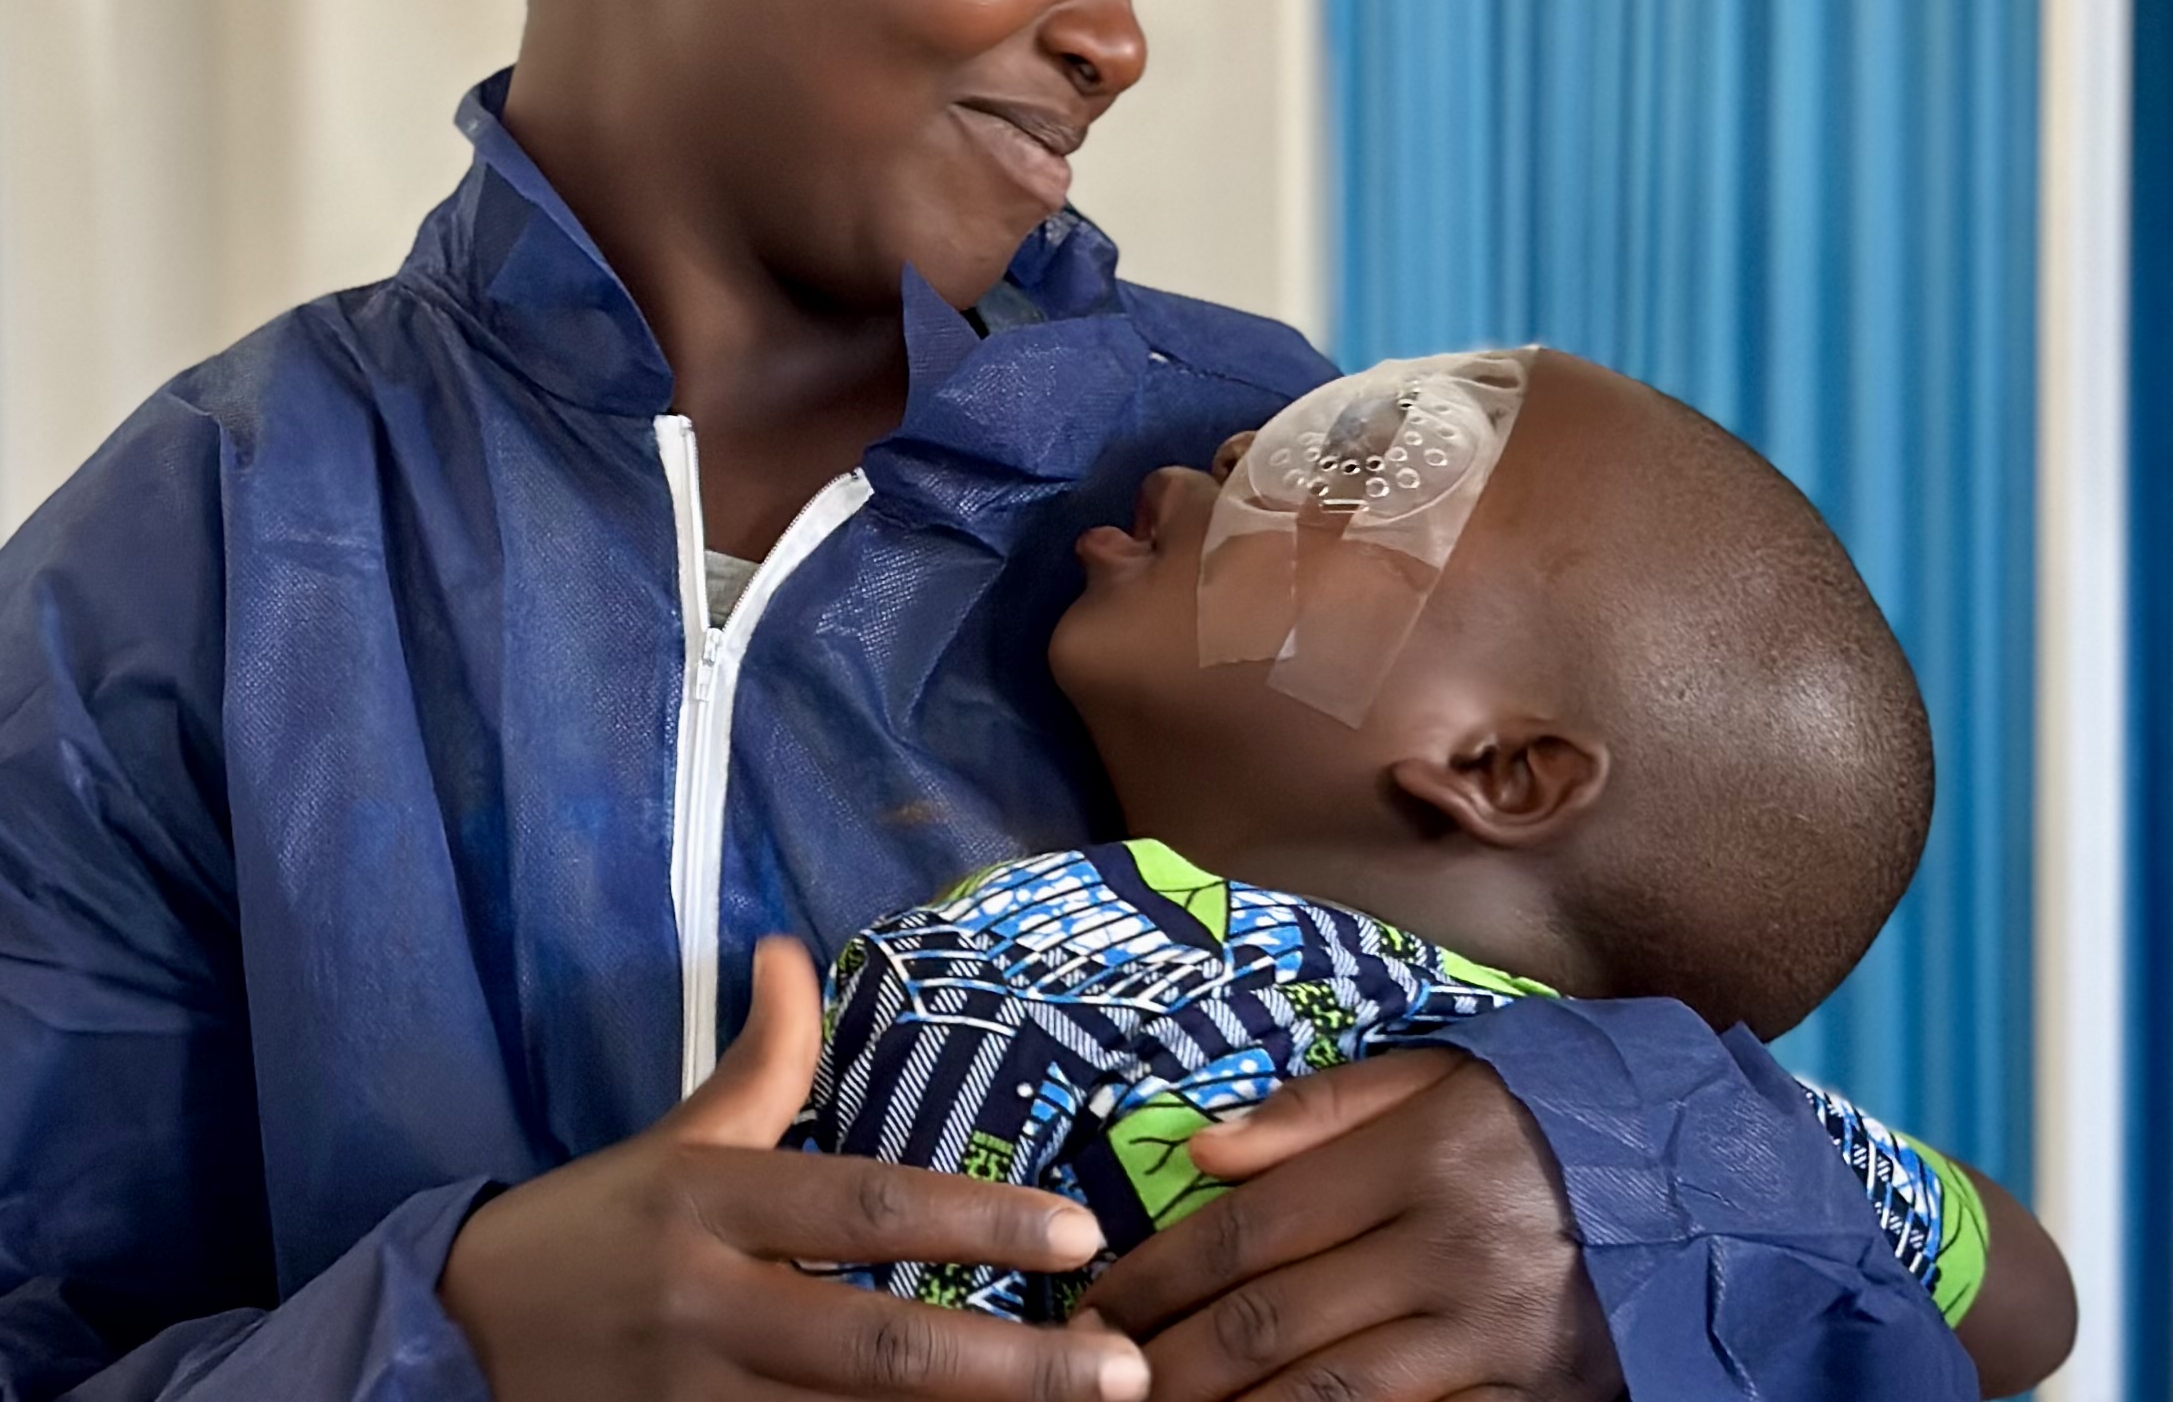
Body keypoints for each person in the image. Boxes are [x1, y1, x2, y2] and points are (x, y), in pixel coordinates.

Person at [0, 0, 1993, 1400]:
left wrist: (1596, 1191)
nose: (1119, 29)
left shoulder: (1225, 492)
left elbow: (1895, 1192)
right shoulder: (186, 564)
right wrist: (464, 1340)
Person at [788, 349, 2077, 1399]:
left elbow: (2033, 1301)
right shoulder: (1692, 1110)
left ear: (1499, 768)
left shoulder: (1644, 1097)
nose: (1246, 446)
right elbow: (2018, 1296)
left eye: (1372, 463)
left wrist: (1645, 1169)